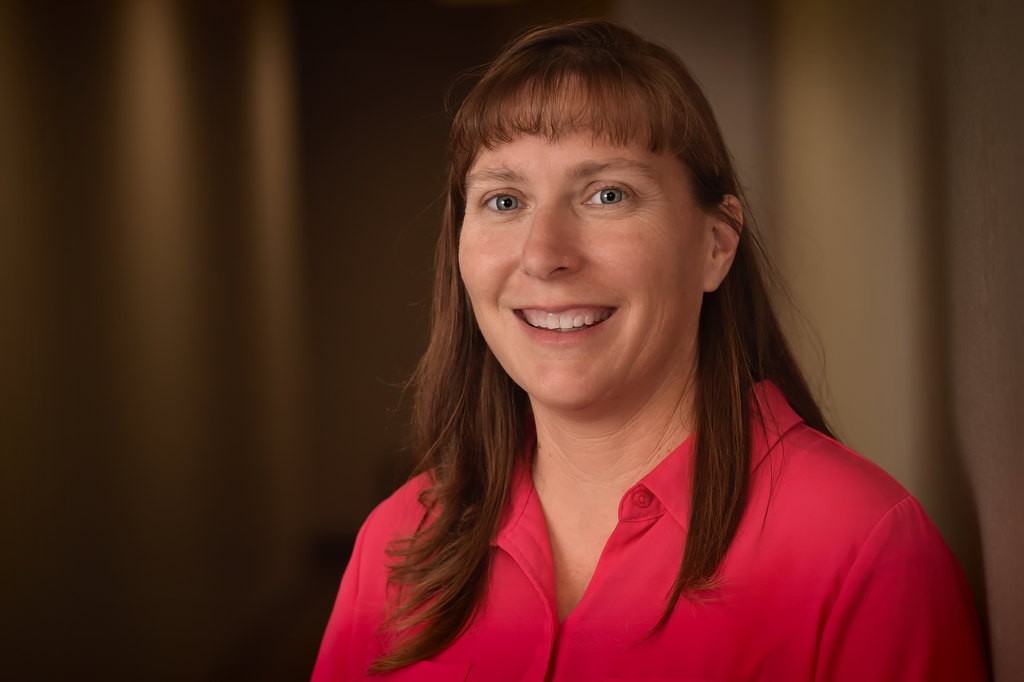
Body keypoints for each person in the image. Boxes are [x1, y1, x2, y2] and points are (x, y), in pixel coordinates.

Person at [312, 19, 986, 681]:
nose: (545, 254)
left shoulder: (862, 551)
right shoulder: (398, 544)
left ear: (716, 246)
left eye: (609, 194)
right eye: (504, 200)